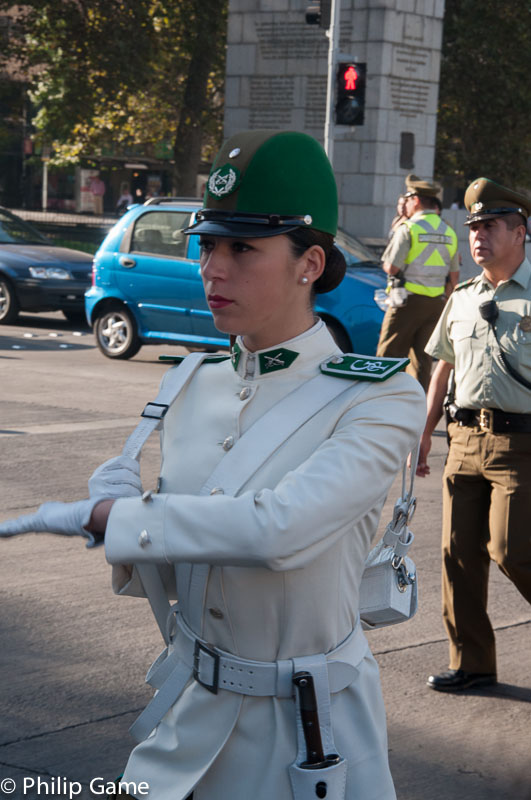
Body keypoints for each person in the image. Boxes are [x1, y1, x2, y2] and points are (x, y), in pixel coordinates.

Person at [0, 130, 425, 799]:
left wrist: (123, 515)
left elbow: (276, 531)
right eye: (207, 245)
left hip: (304, 733)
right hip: (186, 717)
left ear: (308, 263)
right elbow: (183, 573)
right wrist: (125, 521)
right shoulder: (191, 383)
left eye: (242, 248)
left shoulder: (380, 394)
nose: (212, 268)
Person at [416, 177, 531, 692]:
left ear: (519, 233)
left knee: (511, 550)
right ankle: (472, 663)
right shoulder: (463, 296)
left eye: (489, 226)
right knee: (457, 554)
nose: (477, 236)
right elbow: (442, 364)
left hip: (520, 445)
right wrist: (424, 432)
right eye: (474, 228)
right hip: (462, 440)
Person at [376, 174, 460, 391]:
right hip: (436, 304)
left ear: (416, 200)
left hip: (406, 302)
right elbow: (454, 277)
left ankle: (381, 402)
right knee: (422, 361)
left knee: (388, 356)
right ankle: (416, 408)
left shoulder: (409, 229)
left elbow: (392, 267)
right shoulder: (449, 232)